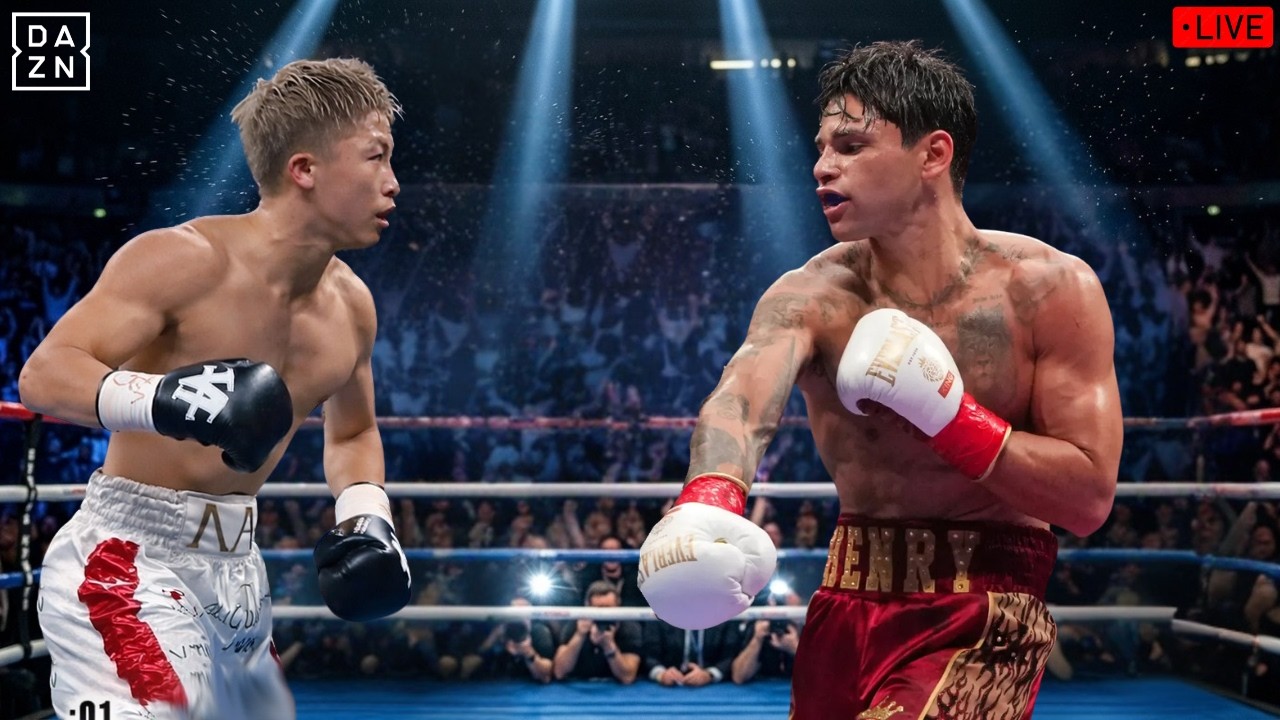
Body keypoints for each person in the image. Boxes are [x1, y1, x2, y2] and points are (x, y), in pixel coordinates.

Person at [638, 40, 1122, 719]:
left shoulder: (1048, 290)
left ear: (933, 155)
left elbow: (1088, 498)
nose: (822, 166)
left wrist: (951, 419)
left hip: (985, 606)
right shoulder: (811, 296)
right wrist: (708, 497)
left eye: (851, 146)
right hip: (844, 603)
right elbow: (741, 400)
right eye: (821, 148)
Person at [18, 58, 411, 720]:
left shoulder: (352, 306)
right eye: (376, 157)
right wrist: (169, 400)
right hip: (129, 559)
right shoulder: (184, 259)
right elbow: (45, 374)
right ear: (305, 169)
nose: (393, 182)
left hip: (238, 576)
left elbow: (353, 431)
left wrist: (367, 517)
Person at [552, 580, 642, 683]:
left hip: (617, 688)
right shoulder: (576, 624)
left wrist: (609, 646)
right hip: (580, 684)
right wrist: (579, 636)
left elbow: (627, 677)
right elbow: (559, 672)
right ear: (587, 607)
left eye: (608, 609)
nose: (603, 614)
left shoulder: (628, 627)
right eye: (598, 609)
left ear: (618, 606)